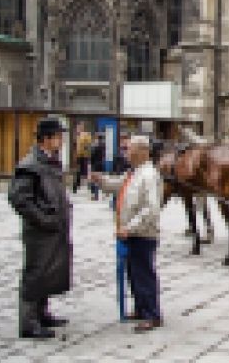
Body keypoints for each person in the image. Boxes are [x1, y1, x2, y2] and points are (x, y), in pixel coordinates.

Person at [91, 134, 163, 333]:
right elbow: (117, 185)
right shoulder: (133, 173)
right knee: (134, 274)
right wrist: (101, 180)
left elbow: (151, 209)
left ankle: (152, 314)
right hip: (130, 234)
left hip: (142, 234)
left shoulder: (149, 175)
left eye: (129, 149)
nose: (126, 153)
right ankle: (141, 307)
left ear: (142, 152)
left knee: (144, 274)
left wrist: (130, 227)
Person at [8, 118, 72, 339]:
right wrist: (44, 219)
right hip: (40, 232)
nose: (61, 140)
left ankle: (42, 313)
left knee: (48, 272)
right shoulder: (30, 165)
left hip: (53, 230)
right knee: (35, 274)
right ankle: (28, 322)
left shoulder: (51, 162)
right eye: (58, 136)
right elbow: (19, 199)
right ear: (46, 139)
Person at [72, 124, 92, 194]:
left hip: (85, 156)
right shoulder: (77, 136)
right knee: (78, 172)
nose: (78, 129)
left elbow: (88, 145)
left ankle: (90, 187)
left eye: (80, 127)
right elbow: (75, 148)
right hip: (79, 157)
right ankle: (76, 187)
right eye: (78, 128)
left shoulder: (86, 135)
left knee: (86, 172)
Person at [89, 133, 106, 200]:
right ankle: (100, 193)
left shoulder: (94, 147)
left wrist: (91, 164)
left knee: (94, 180)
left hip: (95, 165)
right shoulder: (103, 147)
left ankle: (94, 194)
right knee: (99, 180)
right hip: (101, 165)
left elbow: (91, 157)